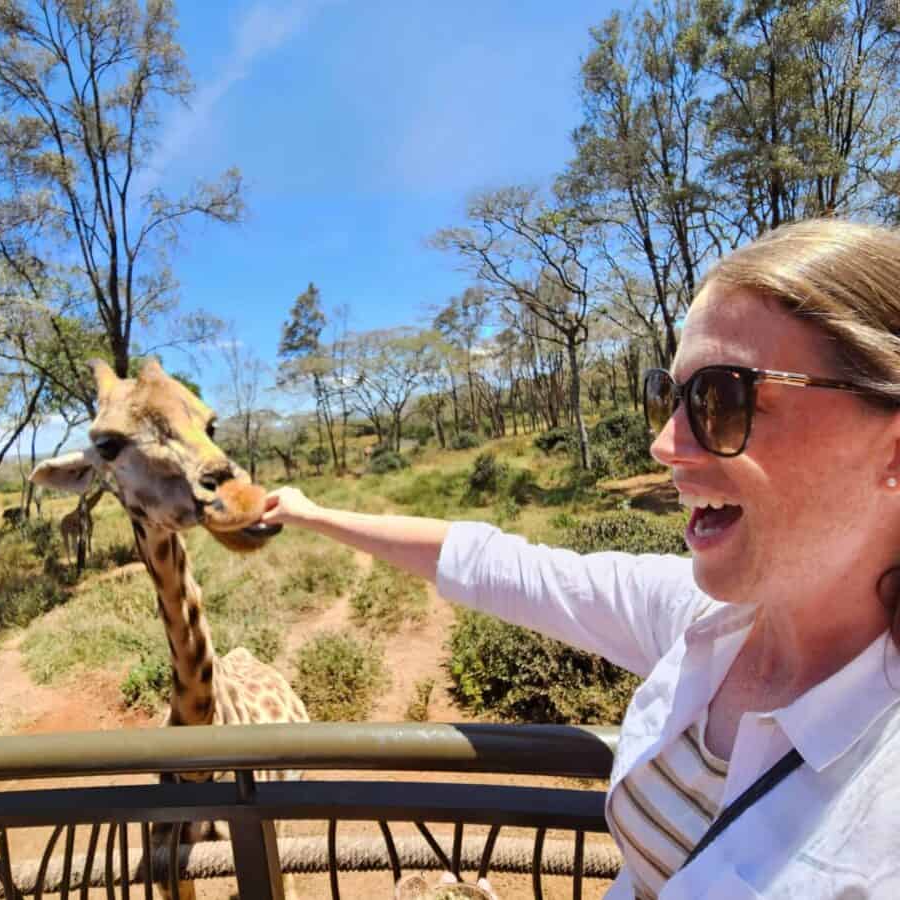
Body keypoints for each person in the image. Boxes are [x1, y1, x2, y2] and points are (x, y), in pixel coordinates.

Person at [261, 218, 900, 898]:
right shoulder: (703, 619)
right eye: (669, 396)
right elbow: (499, 568)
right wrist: (312, 513)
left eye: (723, 397)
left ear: (890, 450)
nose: (663, 444)